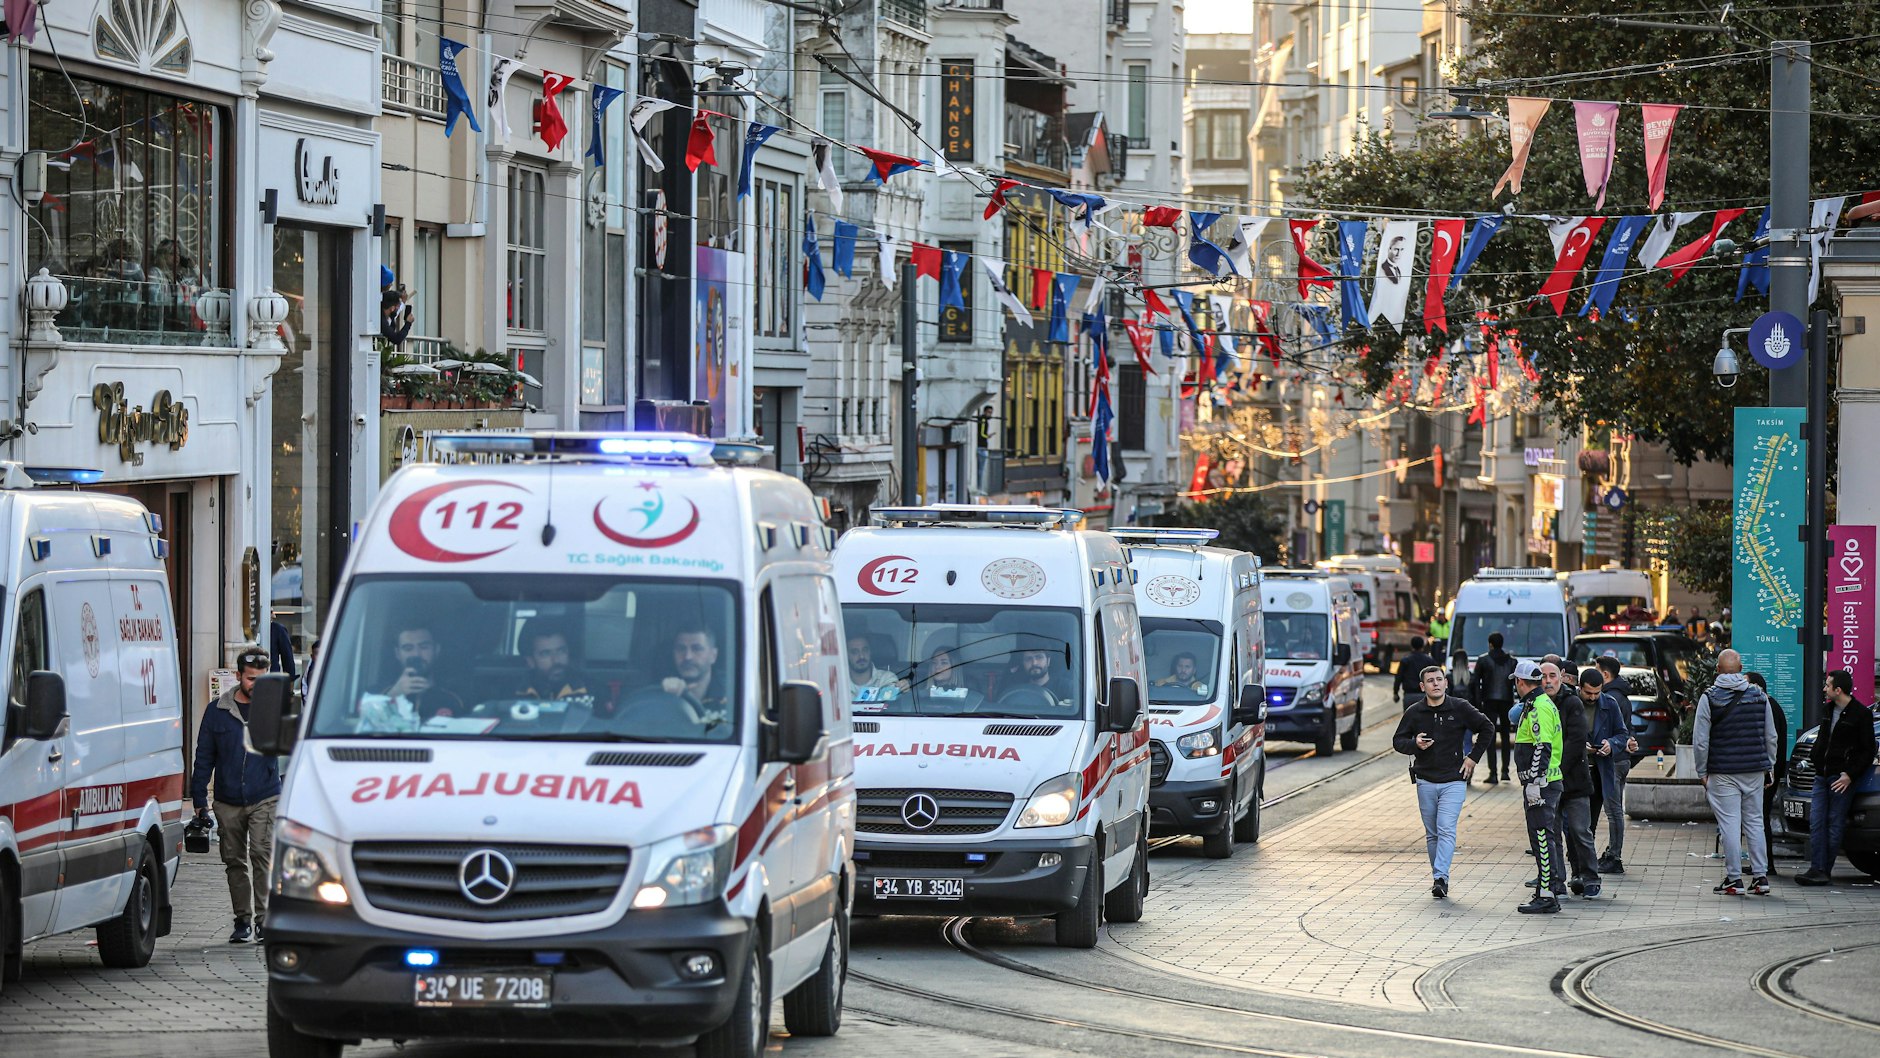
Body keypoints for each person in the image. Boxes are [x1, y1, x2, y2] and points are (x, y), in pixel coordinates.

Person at [190, 648, 281, 943]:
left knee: (261, 855)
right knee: (234, 861)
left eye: (262, 679)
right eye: (252, 679)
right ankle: (242, 921)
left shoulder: (274, 709)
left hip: (265, 795)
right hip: (227, 800)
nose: (257, 684)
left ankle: (264, 921)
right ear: (239, 676)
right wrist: (200, 800)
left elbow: (295, 746)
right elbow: (203, 756)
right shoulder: (217, 711)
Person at [1392, 666, 1494, 899]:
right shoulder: (1415, 712)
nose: (1435, 684)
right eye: (1430, 681)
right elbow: (1398, 741)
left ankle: (1441, 878)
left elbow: (1487, 727)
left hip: (1454, 781)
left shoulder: (1459, 707)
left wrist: (1473, 758)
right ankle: (1438, 875)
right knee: (1432, 834)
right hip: (1425, 780)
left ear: (1446, 683)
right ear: (1422, 687)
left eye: (1439, 680)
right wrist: (1414, 744)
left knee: (1446, 828)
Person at [1692, 649, 1776, 896]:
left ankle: (1734, 878)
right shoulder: (1759, 696)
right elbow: (1771, 736)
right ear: (1741, 670)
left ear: (1717, 670)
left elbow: (1700, 741)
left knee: (1729, 823)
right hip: (1753, 769)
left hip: (1723, 771)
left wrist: (1702, 771)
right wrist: (1768, 765)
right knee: (1755, 822)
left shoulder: (1709, 698)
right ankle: (1761, 877)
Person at [1796, 669, 1877, 886]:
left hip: (1841, 778)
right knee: (1816, 821)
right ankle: (1816, 868)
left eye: (1827, 685)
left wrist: (1850, 775)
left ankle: (1824, 870)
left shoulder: (1861, 714)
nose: (1824, 688)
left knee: (1834, 822)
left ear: (1838, 690)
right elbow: (1823, 738)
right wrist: (1815, 759)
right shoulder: (1828, 709)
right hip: (1821, 775)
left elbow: (1868, 750)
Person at [1542, 657, 1601, 897]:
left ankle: (1589, 877)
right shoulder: (1537, 703)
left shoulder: (1572, 702)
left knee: (1580, 831)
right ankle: (1557, 880)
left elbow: (1576, 741)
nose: (1548, 681)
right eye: (1543, 677)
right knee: (1552, 834)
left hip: (1573, 781)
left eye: (1552, 676)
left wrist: (1556, 770)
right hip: (1548, 782)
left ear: (1561, 677)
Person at [1511, 659, 1566, 913]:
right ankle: (1546, 889)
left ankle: (1546, 894)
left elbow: (1542, 746)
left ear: (1520, 682)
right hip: (1544, 782)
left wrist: (1534, 782)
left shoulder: (1538, 707)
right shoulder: (1539, 703)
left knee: (1542, 838)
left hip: (1542, 784)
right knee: (1543, 837)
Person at [1589, 666, 1639, 874]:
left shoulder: (1611, 699)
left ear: (1605, 675)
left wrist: (1612, 743)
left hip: (1613, 760)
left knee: (1613, 811)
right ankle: (1610, 853)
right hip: (1616, 759)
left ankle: (1614, 856)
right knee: (1611, 809)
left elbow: (1621, 731)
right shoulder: (1620, 695)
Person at [1746, 672, 1787, 876]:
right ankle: (1761, 863)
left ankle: (1765, 864)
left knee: (1760, 818)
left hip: (1766, 774)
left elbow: (1770, 741)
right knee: (1759, 818)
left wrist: (1767, 771)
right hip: (1768, 771)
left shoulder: (1767, 707)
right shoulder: (1770, 705)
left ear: (1756, 686)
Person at [1472, 632, 1517, 783]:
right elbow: (1516, 684)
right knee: (1505, 736)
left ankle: (1493, 773)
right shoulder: (1512, 661)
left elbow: (1475, 684)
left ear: (1490, 644)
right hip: (1506, 701)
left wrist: (1478, 703)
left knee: (1489, 736)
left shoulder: (1483, 660)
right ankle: (1505, 771)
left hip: (1489, 701)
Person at [516, 619, 591, 701]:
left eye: (561, 651)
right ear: (530, 661)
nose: (556, 660)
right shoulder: (512, 694)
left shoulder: (592, 689)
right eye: (545, 654)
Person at [847, 635, 901, 701]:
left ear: (870, 652)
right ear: (846, 655)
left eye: (865, 650)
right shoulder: (838, 682)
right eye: (855, 652)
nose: (861, 656)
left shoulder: (886, 678)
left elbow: (888, 699)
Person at [1393, 636, 1439, 706]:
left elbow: (1398, 678)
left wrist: (1395, 693)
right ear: (1422, 646)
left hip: (1409, 695)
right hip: (1425, 695)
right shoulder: (1429, 661)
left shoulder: (1405, 661)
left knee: (1409, 716)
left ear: (1411, 646)